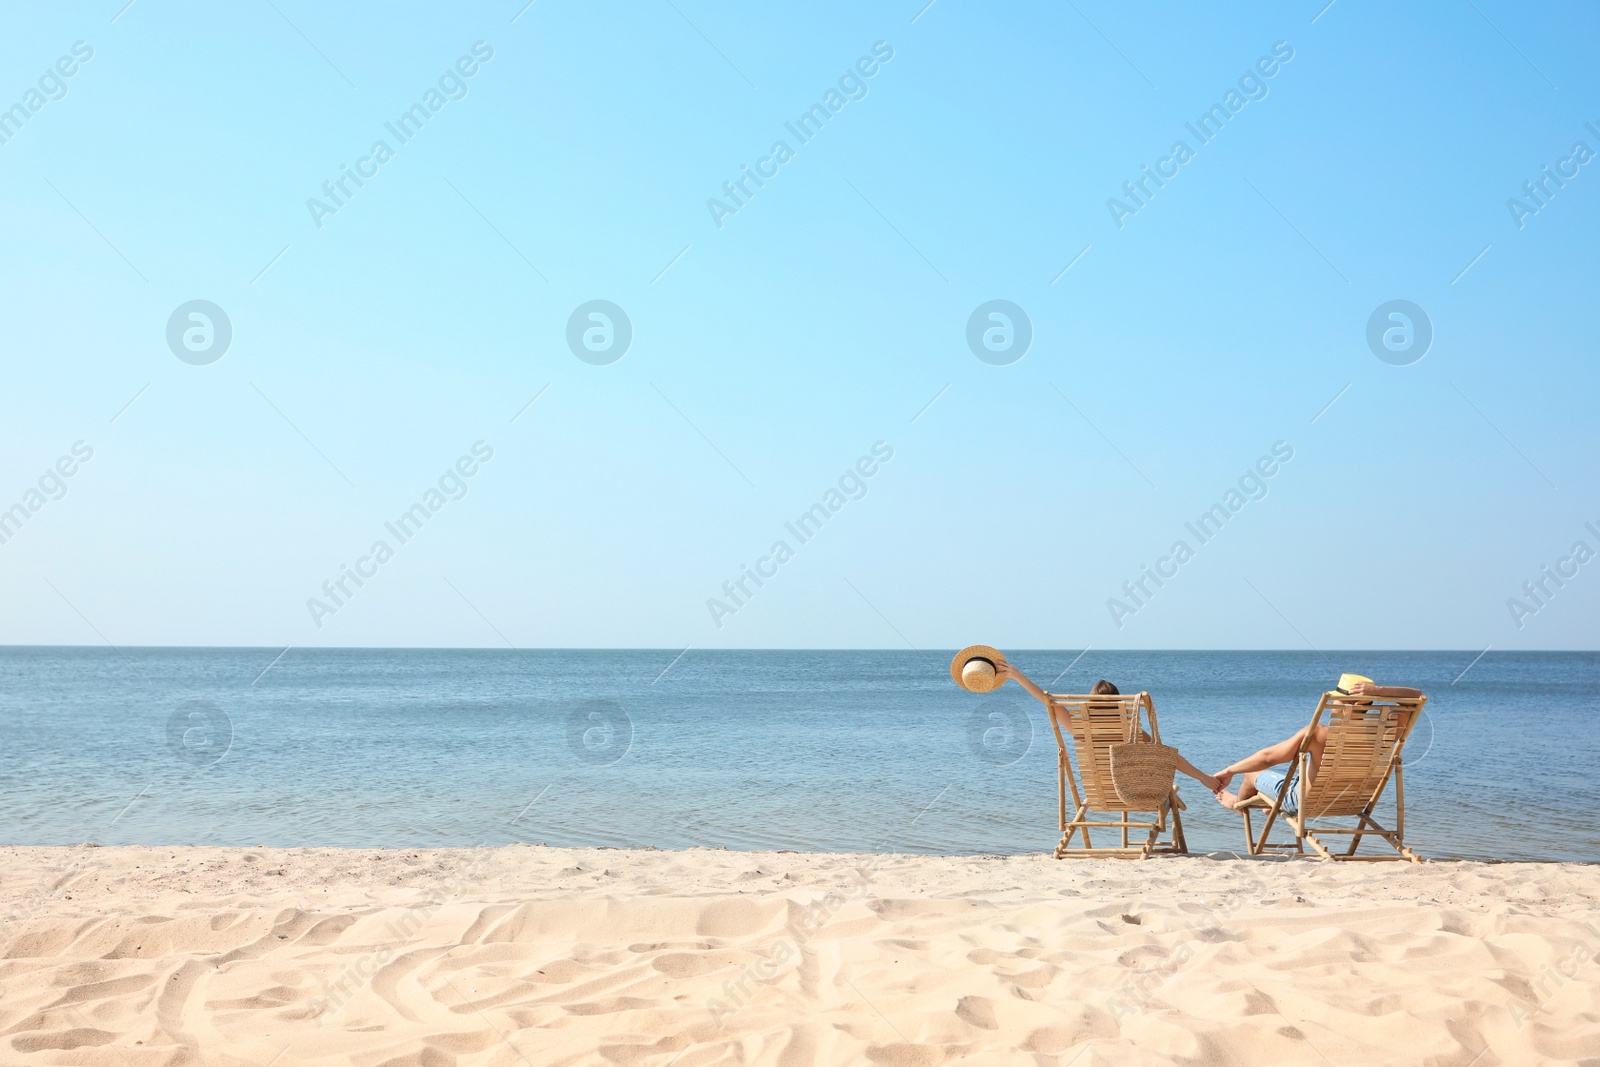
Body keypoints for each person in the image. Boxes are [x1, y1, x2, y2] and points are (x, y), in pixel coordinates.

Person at [1211, 680, 1423, 813]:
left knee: (1253, 773)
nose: (1334, 704)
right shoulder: (1385, 735)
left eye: (1338, 700)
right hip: (1350, 803)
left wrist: (1229, 770)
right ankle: (1271, 804)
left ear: (1355, 704)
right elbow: (1415, 696)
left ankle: (1237, 805)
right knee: (1295, 779)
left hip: (1305, 803)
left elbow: (1267, 757)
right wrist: (1379, 691)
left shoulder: (1319, 733)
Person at [996, 665, 1219, 792]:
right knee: (1161, 755)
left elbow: (1046, 699)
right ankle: (1199, 780)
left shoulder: (1079, 728)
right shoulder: (1133, 734)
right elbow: (1170, 759)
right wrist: (1203, 777)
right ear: (1118, 705)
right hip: (1131, 790)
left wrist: (1017, 676)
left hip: (1098, 791)